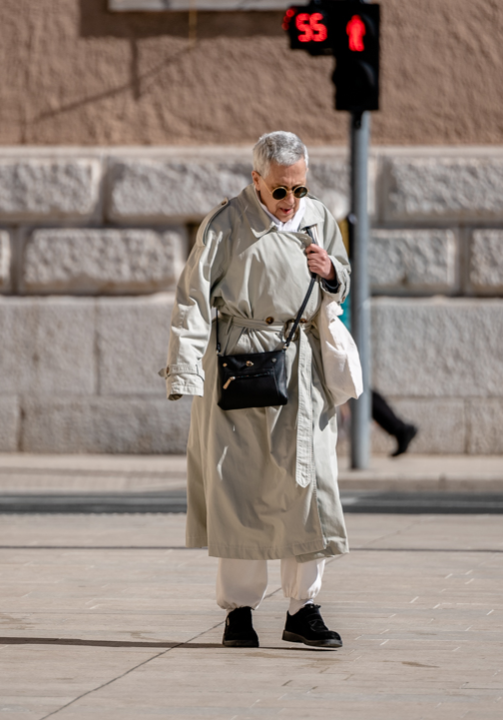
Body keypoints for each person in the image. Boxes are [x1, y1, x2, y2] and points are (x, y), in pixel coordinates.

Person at [164, 131, 349, 649]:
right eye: (281, 191)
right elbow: (193, 299)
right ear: (256, 182)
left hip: (300, 365)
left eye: (300, 190)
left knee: (307, 483)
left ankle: (303, 608)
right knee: (238, 487)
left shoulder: (318, 218)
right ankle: (239, 613)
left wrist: (332, 272)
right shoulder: (225, 224)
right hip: (240, 363)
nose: (291, 202)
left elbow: (345, 276)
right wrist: (184, 371)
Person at [338, 296, 418, 456]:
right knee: (355, 387)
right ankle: (399, 428)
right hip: (341, 334)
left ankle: (399, 428)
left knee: (354, 388)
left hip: (338, 335)